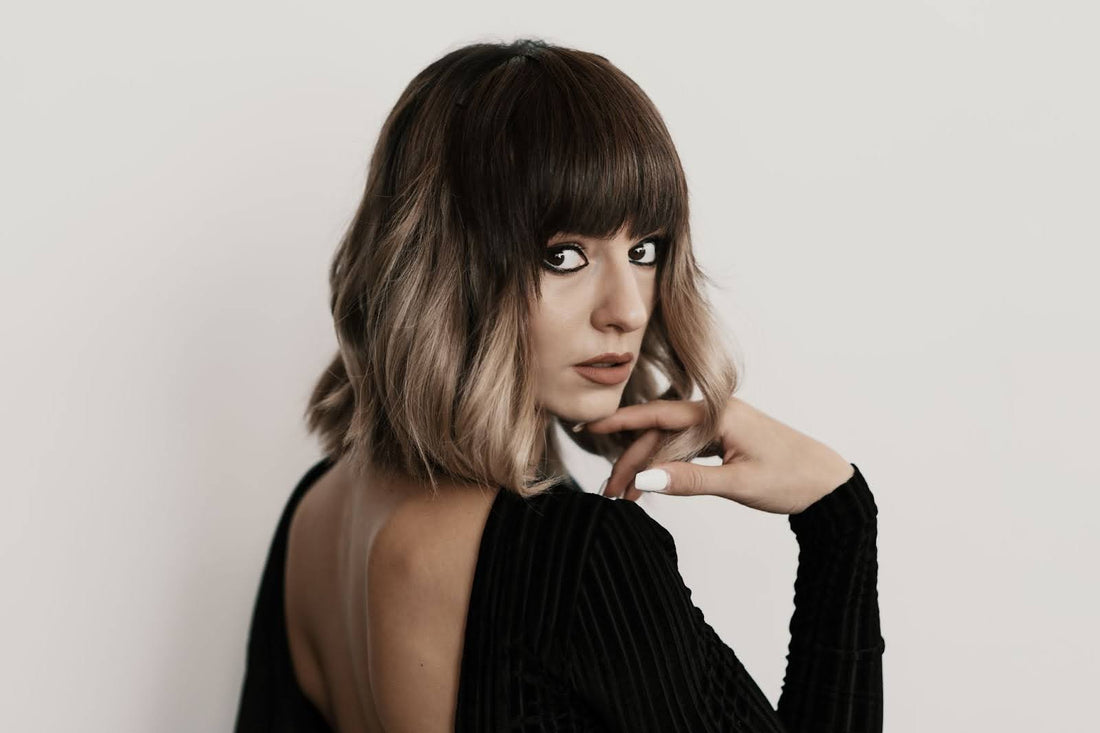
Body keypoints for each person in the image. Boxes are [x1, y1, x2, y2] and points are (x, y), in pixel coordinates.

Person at [234, 38, 884, 732]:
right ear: (445, 270)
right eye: (564, 255)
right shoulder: (580, 563)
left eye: (643, 251)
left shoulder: (315, 513)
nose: (628, 309)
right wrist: (836, 516)